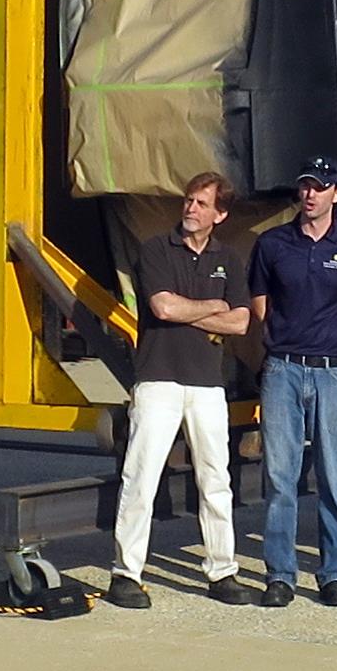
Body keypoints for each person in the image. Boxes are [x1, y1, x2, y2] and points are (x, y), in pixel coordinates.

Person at [109, 171, 258, 610]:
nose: (191, 209)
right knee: (141, 476)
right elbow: (161, 306)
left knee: (216, 480)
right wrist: (213, 306)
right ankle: (126, 573)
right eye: (188, 201)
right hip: (158, 379)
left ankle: (222, 570)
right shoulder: (156, 249)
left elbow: (242, 322)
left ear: (220, 213)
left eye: (201, 203)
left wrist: (191, 311)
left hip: (207, 385)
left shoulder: (228, 260)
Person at [248, 156, 337, 607]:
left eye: (320, 187)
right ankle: (281, 574)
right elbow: (261, 304)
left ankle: (335, 572)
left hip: (334, 374)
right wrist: (289, 340)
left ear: (336, 194)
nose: (311, 194)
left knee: (333, 473)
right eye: (305, 186)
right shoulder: (272, 244)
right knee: (281, 476)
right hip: (283, 370)